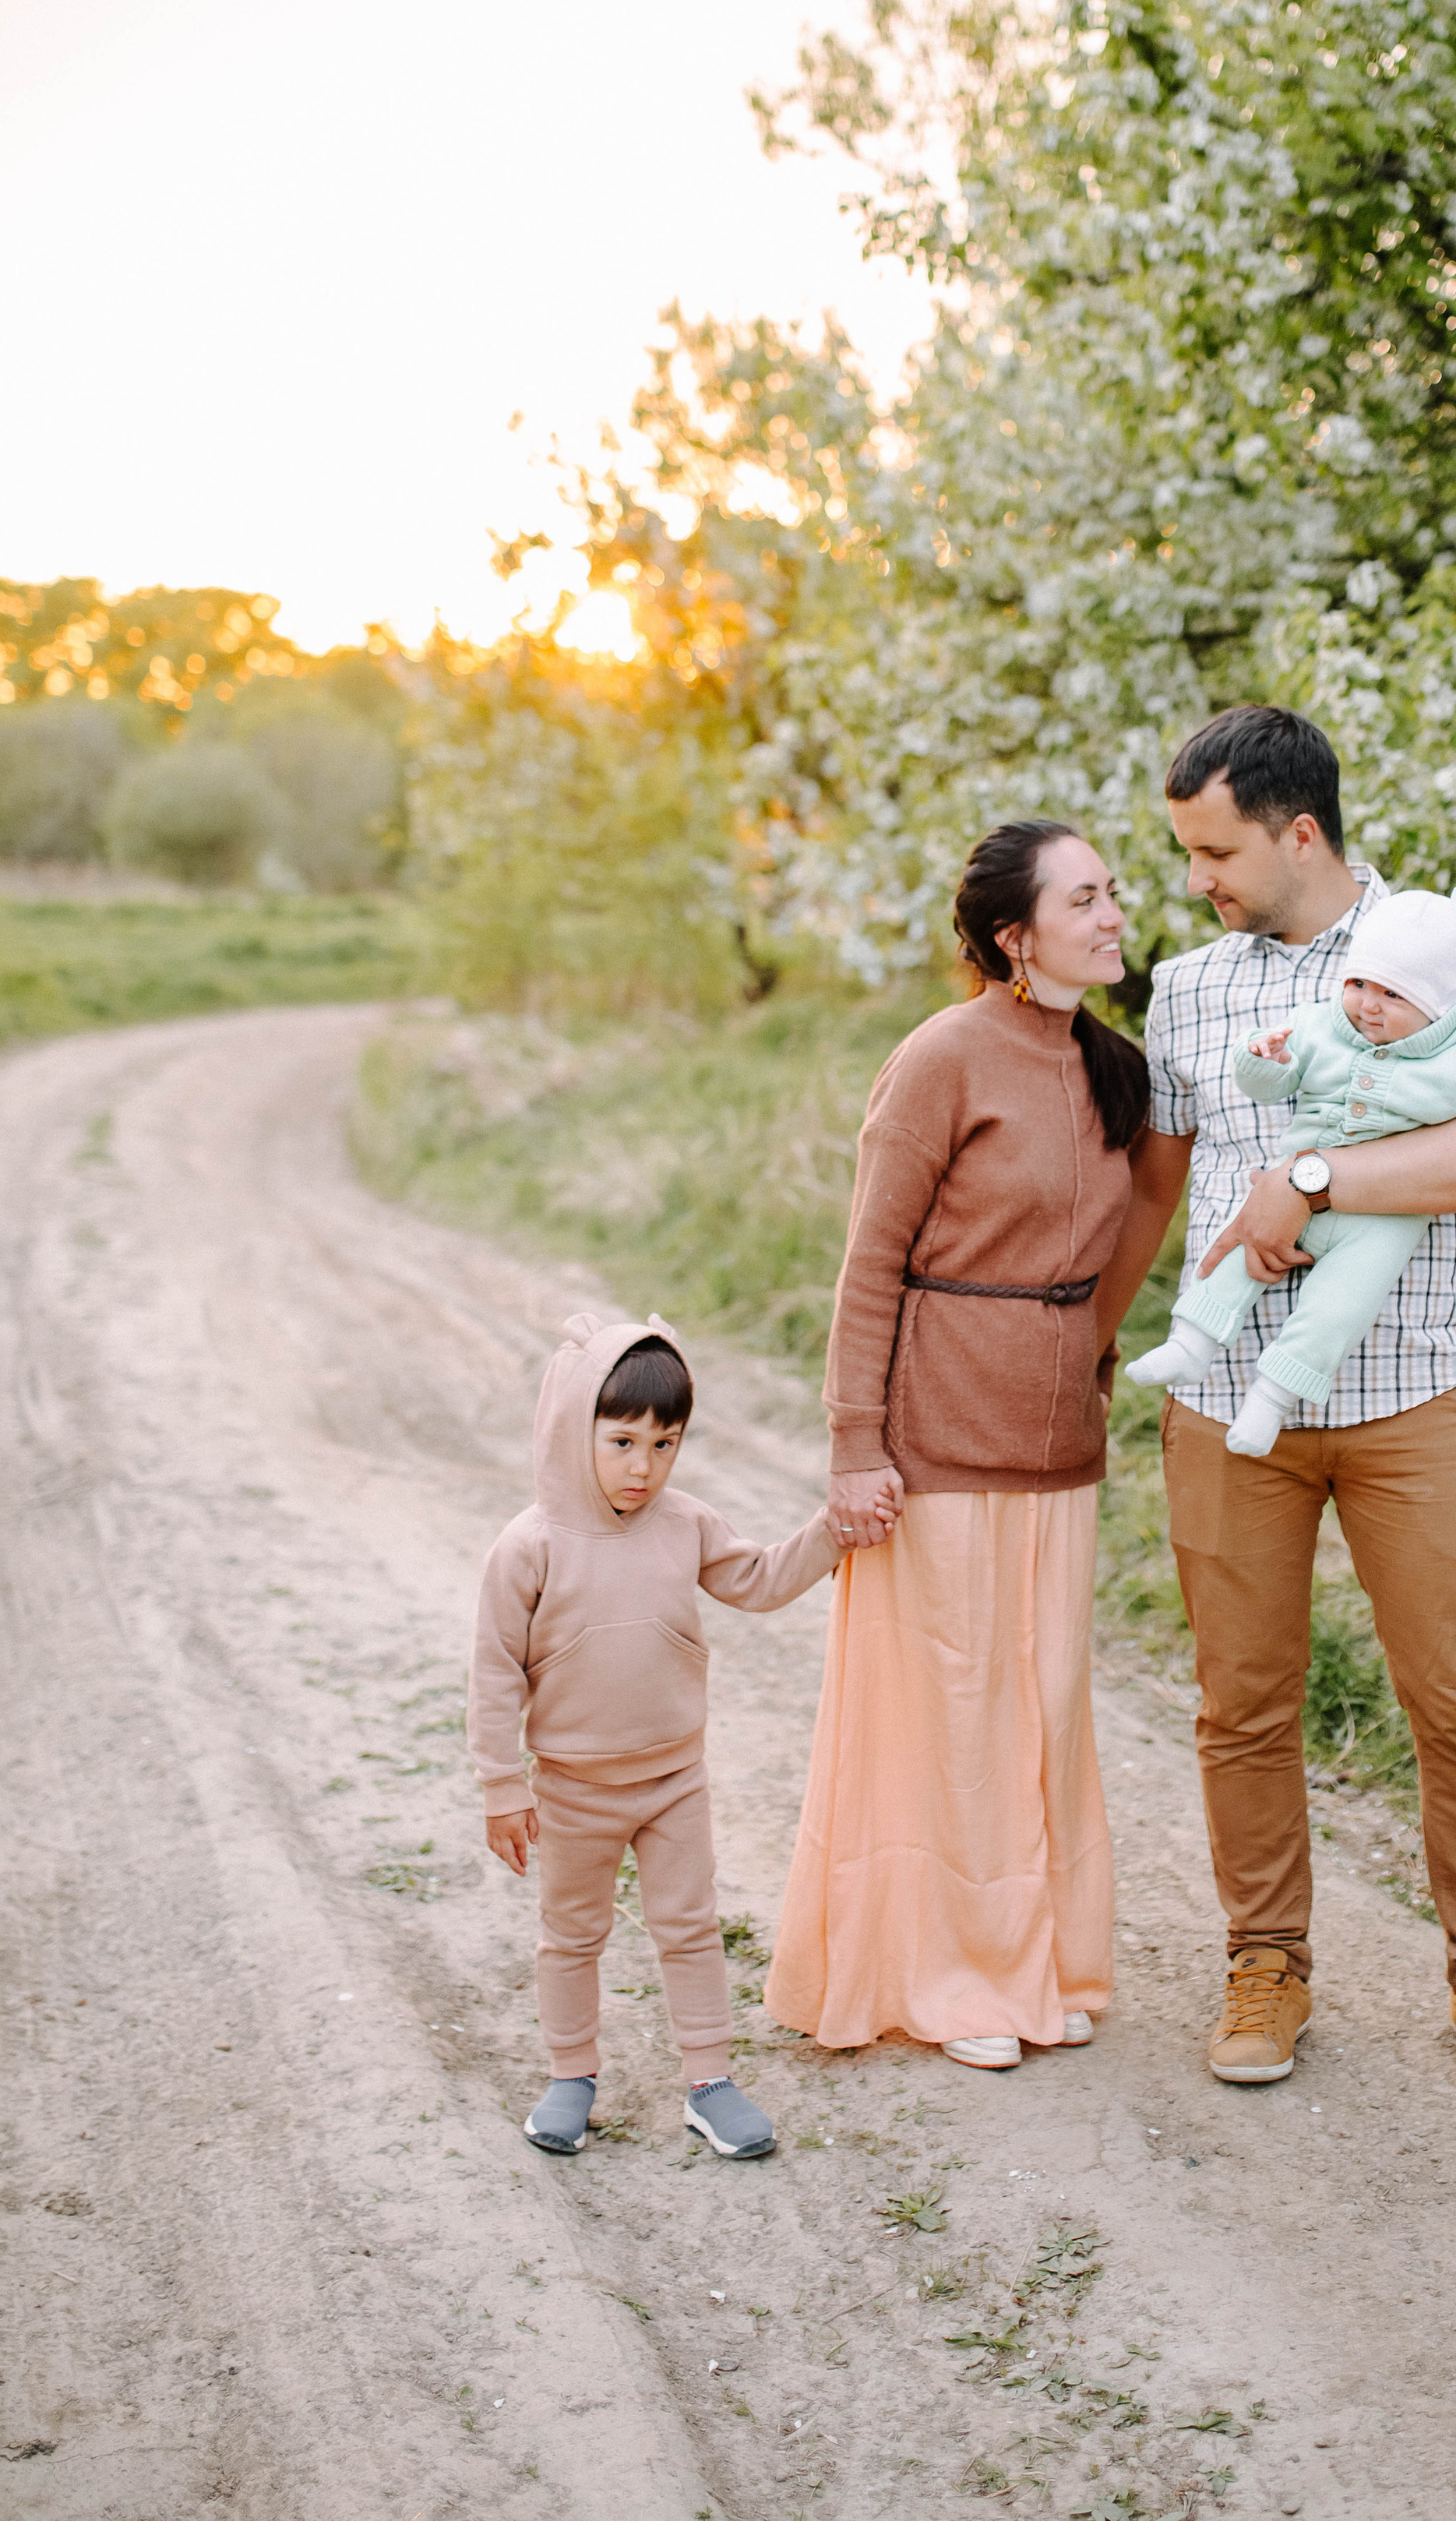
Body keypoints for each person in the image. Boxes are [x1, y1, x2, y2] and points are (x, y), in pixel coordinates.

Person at [1091, 706, 1456, 2121]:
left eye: (1216, 850)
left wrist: (1310, 1183)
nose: (1196, 880)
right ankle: (1267, 1962)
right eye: (1185, 854)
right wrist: (1095, 1330)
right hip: (1232, 1404)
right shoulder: (1188, 988)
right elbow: (1160, 1183)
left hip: (1415, 1389)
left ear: (1301, 833)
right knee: (1242, 1707)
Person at [764, 821, 1149, 2070]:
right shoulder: (941, 1059)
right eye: (1083, 898)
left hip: (1060, 1447)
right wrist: (853, 1446)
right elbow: (869, 1265)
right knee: (956, 1711)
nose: (1112, 914)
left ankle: (1044, 1959)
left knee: (1042, 1709)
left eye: (1112, 893)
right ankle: (953, 1981)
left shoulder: (1115, 1067)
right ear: (1012, 935)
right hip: (934, 1441)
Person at [469, 1310, 862, 2160]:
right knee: (572, 1933)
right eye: (620, 1443)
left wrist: (833, 1531)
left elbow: (755, 1581)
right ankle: (572, 2075)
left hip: (674, 1780)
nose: (642, 1468)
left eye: (664, 1444)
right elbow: (494, 1670)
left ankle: (709, 2081)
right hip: (571, 1788)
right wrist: (502, 1785)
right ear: (575, 1431)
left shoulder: (685, 1524)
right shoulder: (529, 1546)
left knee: (688, 1926)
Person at [1130, 883, 1456, 1455]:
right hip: (1289, 1181)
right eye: (1358, 984)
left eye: (1392, 995)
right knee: (1241, 1252)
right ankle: (1191, 1341)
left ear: (1435, 1004)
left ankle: (1271, 1398)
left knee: (1339, 1307)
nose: (1368, 1005)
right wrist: (1263, 1058)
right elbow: (1270, 1081)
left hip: (1385, 1217)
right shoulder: (1325, 1024)